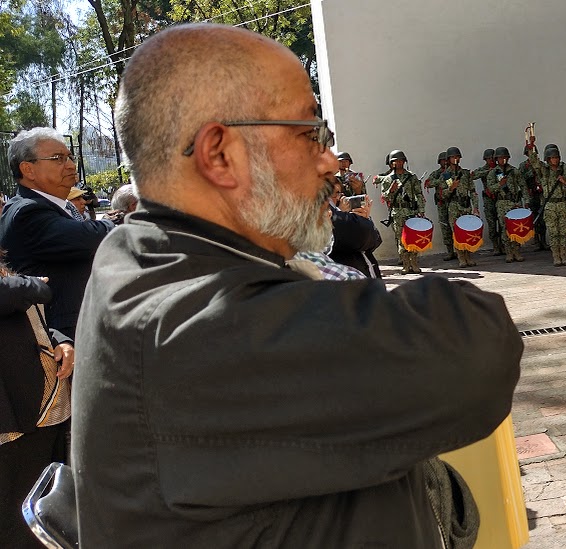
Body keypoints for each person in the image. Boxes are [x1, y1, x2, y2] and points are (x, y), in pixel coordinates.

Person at [73, 23, 523, 548]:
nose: (330, 162)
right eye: (311, 134)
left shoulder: (141, 253)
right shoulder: (190, 323)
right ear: (220, 154)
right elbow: (472, 348)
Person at [0, 127, 116, 338]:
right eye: (58, 158)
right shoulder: (28, 211)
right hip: (62, 342)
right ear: (28, 169)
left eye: (70, 157)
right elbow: (88, 238)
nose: (71, 165)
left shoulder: (50, 206)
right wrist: (113, 223)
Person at [0, 257, 74, 549]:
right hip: (9, 425)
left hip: (41, 415)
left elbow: (30, 319)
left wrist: (60, 341)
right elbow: (20, 292)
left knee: (39, 512)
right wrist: (31, 285)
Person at [377, 150, 426, 274]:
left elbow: (419, 194)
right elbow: (384, 197)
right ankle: (405, 264)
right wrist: (391, 191)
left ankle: (414, 263)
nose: (398, 163)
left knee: (413, 238)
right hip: (397, 212)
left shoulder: (411, 177)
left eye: (401, 160)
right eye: (395, 161)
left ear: (404, 161)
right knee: (401, 239)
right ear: (391, 163)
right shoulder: (388, 179)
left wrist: (421, 210)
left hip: (411, 211)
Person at [527, 146, 566, 266]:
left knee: (563, 232)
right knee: (553, 233)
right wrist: (531, 147)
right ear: (547, 159)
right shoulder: (544, 170)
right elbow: (534, 162)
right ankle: (556, 256)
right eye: (552, 158)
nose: (555, 160)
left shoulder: (565, 169)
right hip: (550, 205)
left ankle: (563, 254)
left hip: (563, 203)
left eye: (556, 157)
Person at [327, 180, 382, 278]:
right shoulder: (328, 218)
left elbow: (375, 241)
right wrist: (341, 215)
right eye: (335, 194)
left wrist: (364, 219)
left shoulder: (352, 218)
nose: (339, 198)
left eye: (339, 193)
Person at [442, 147, 479, 268]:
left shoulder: (466, 174)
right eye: (453, 157)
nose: (455, 159)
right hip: (454, 206)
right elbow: (443, 194)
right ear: (448, 159)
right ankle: (461, 258)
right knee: (457, 233)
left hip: (466, 205)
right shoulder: (446, 175)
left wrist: (475, 207)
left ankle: (468, 256)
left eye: (457, 157)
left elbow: (473, 191)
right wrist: (451, 187)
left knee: (467, 232)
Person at [489, 147, 527, 263]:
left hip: (514, 202)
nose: (503, 159)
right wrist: (499, 184)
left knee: (516, 228)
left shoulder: (514, 171)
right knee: (505, 229)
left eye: (505, 157)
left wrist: (526, 200)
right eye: (500, 158)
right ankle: (509, 252)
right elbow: (490, 189)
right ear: (496, 159)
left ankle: (516, 251)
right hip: (502, 203)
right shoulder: (493, 173)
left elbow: (523, 185)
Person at [423, 151, 456, 260]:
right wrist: (441, 179)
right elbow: (428, 183)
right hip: (442, 204)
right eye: (443, 160)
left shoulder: (453, 171)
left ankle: (459, 250)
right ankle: (450, 251)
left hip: (453, 202)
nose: (445, 162)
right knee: (445, 226)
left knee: (456, 226)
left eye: (446, 160)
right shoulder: (437, 173)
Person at [471, 149, 503, 256]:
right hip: (488, 200)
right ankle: (495, 246)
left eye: (493, 158)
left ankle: (503, 245)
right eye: (489, 159)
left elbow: (502, 182)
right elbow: (473, 175)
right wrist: (487, 171)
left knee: (502, 223)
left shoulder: (498, 170)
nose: (491, 160)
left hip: (499, 198)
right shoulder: (484, 169)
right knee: (492, 224)